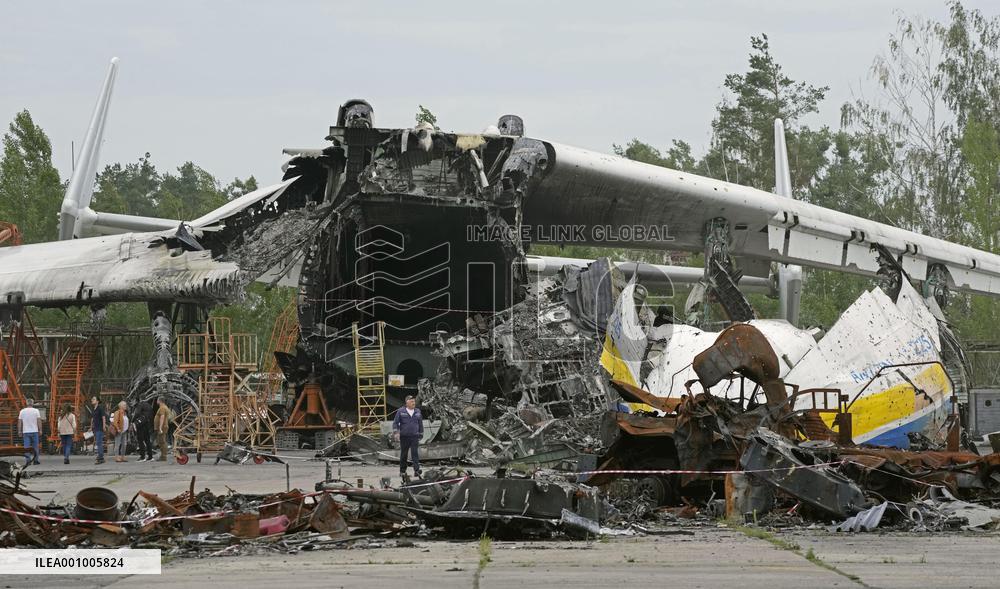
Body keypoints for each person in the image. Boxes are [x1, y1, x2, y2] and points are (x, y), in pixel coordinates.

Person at [392, 395, 423, 479]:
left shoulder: (417, 411)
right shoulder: (401, 411)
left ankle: (417, 471)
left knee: (415, 453)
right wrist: (396, 433)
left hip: (414, 436)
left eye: (414, 401)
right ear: (407, 403)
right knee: (404, 454)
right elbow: (395, 423)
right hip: (404, 436)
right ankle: (402, 471)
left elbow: (420, 423)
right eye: (412, 401)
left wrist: (421, 433)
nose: (414, 403)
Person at [17, 398, 42, 466]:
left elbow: (19, 422)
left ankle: (28, 461)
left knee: (26, 447)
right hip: (35, 431)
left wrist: (19, 431)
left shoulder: (22, 411)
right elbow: (39, 421)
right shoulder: (36, 411)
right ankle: (36, 460)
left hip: (26, 432)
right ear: (32, 403)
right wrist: (40, 430)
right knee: (35, 447)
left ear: (26, 403)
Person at [90, 396, 108, 464]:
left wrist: (104, 426)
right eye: (92, 399)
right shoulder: (94, 409)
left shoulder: (100, 408)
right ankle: (100, 456)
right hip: (95, 428)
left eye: (94, 399)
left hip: (100, 427)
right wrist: (91, 427)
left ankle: (101, 458)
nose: (92, 400)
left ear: (97, 401)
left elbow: (103, 417)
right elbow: (93, 419)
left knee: (99, 442)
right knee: (98, 442)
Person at [154, 397, 170, 462]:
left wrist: (160, 427)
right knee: (161, 441)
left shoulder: (162, 408)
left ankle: (163, 457)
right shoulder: (165, 407)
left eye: (157, 400)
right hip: (164, 426)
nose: (156, 401)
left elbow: (162, 417)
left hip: (162, 427)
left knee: (162, 441)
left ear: (160, 401)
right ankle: (163, 456)